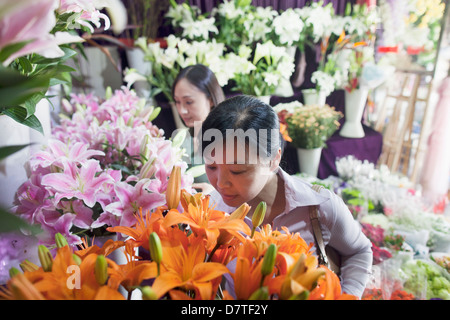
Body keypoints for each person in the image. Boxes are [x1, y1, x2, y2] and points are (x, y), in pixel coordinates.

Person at [198, 95, 373, 298]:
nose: (220, 183)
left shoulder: (319, 206)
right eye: (211, 166)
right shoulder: (210, 214)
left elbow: (359, 251)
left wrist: (349, 295)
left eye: (237, 171)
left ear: (274, 159)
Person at [172, 64, 225, 194]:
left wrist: (216, 194)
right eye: (177, 102)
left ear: (211, 99)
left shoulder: (229, 139)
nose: (182, 110)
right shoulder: (180, 138)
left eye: (188, 102)